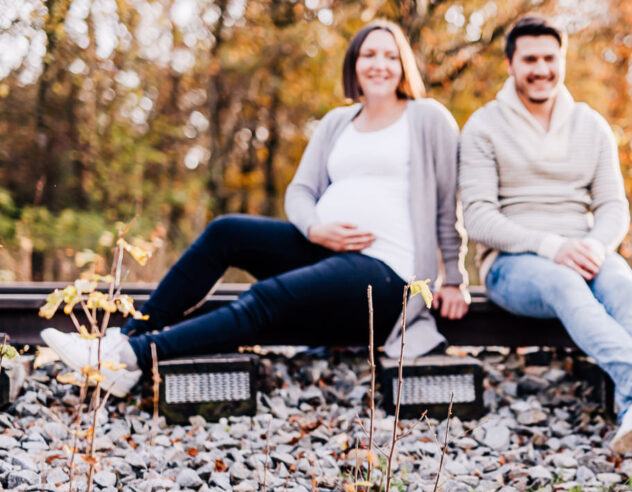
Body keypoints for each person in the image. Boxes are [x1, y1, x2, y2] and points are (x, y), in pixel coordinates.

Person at [42, 20, 469, 397]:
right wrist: (316, 229)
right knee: (227, 231)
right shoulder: (338, 123)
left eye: (391, 56)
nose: (380, 64)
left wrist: (454, 278)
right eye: (369, 54)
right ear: (354, 64)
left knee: (264, 297)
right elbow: (300, 192)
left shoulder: (428, 118)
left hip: (387, 270)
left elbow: (448, 204)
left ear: (404, 66)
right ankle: (125, 337)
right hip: (324, 250)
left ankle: (129, 358)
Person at [458, 15, 632, 455]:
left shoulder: (590, 124)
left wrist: (596, 246)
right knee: (563, 279)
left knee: (621, 282)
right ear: (510, 64)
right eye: (529, 60)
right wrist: (551, 247)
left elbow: (614, 208)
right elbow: (480, 218)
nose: (541, 69)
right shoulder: (484, 126)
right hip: (513, 264)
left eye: (549, 58)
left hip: (583, 248)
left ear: (561, 60)